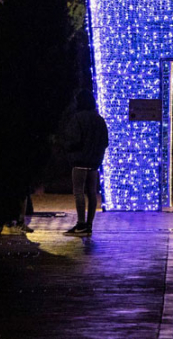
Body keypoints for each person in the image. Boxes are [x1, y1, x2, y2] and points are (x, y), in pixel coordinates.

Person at [62, 90, 108, 236]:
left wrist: (69, 150)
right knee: (92, 193)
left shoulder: (78, 118)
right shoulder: (99, 119)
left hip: (79, 160)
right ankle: (89, 225)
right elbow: (105, 142)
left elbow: (72, 140)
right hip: (94, 162)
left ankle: (81, 224)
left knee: (78, 192)